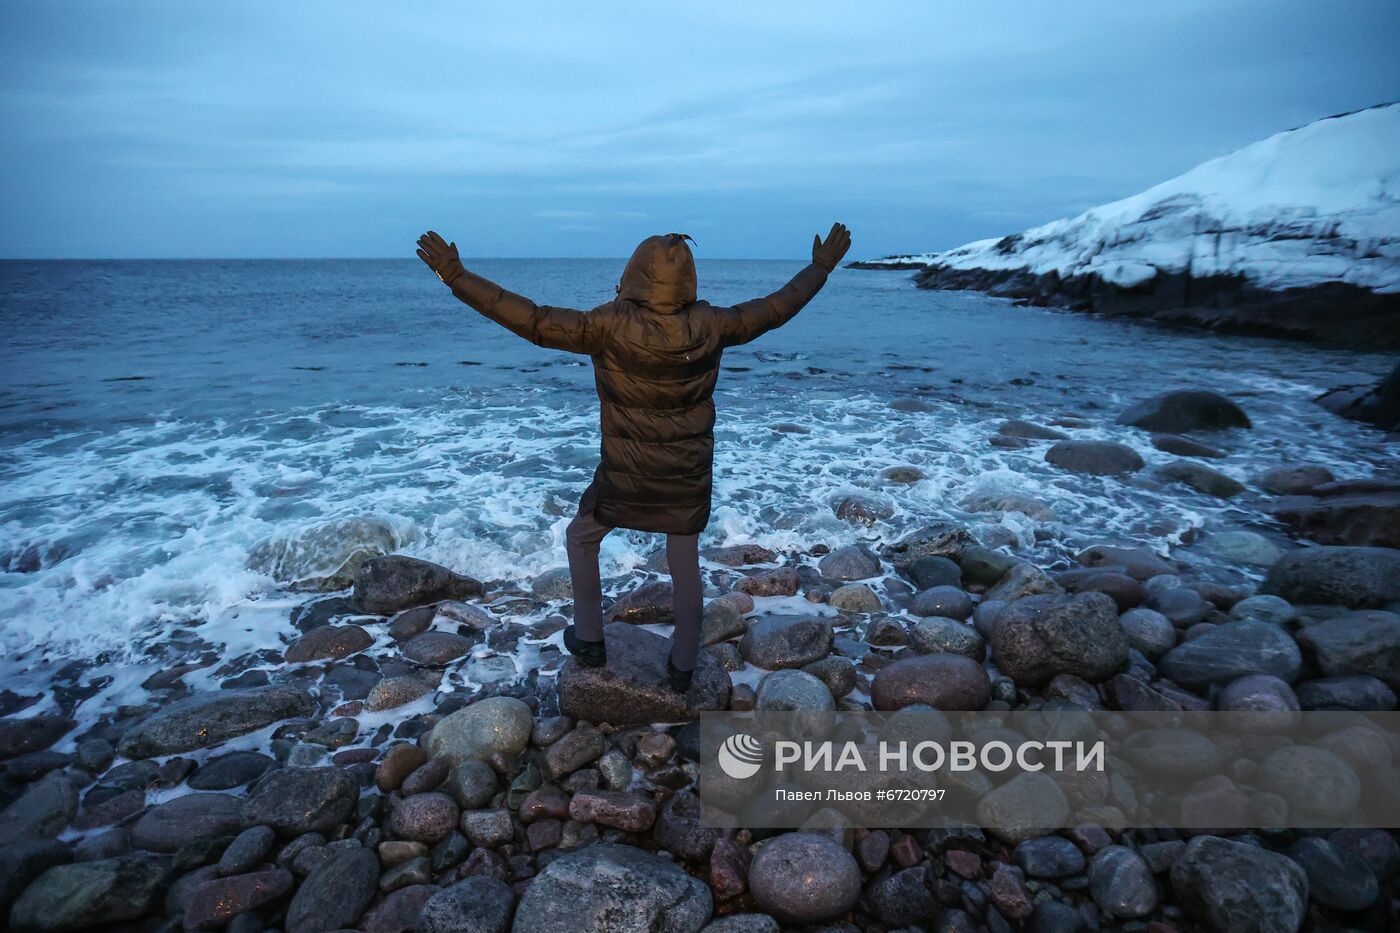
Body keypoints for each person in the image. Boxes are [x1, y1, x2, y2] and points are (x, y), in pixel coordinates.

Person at [416, 223, 852, 692]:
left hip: (625, 476)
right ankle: (683, 666)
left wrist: (455, 276)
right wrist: (821, 267)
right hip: (686, 474)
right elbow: (776, 307)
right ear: (688, 280)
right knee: (683, 561)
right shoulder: (713, 325)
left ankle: (589, 639)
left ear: (634, 275)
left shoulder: (607, 324)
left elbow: (532, 319)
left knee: (582, 536)